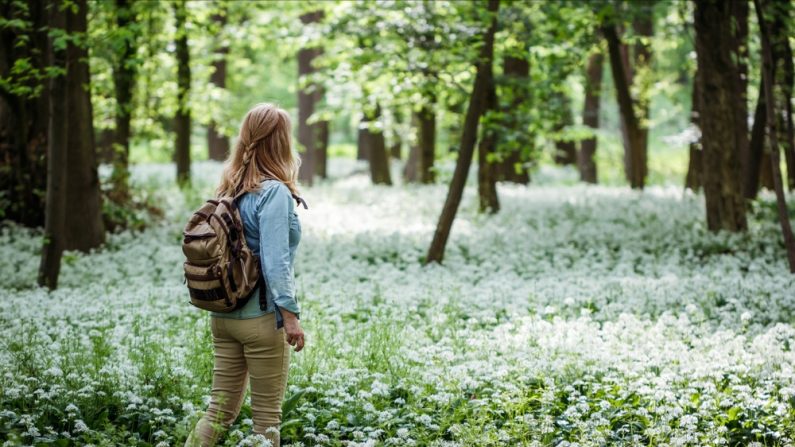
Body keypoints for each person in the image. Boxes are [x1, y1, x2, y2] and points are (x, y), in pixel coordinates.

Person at [185, 103, 306, 447]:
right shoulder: (275, 193)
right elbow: (276, 261)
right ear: (281, 142)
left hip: (223, 318)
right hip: (262, 320)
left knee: (218, 413)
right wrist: (290, 316)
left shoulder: (230, 187)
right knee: (266, 421)